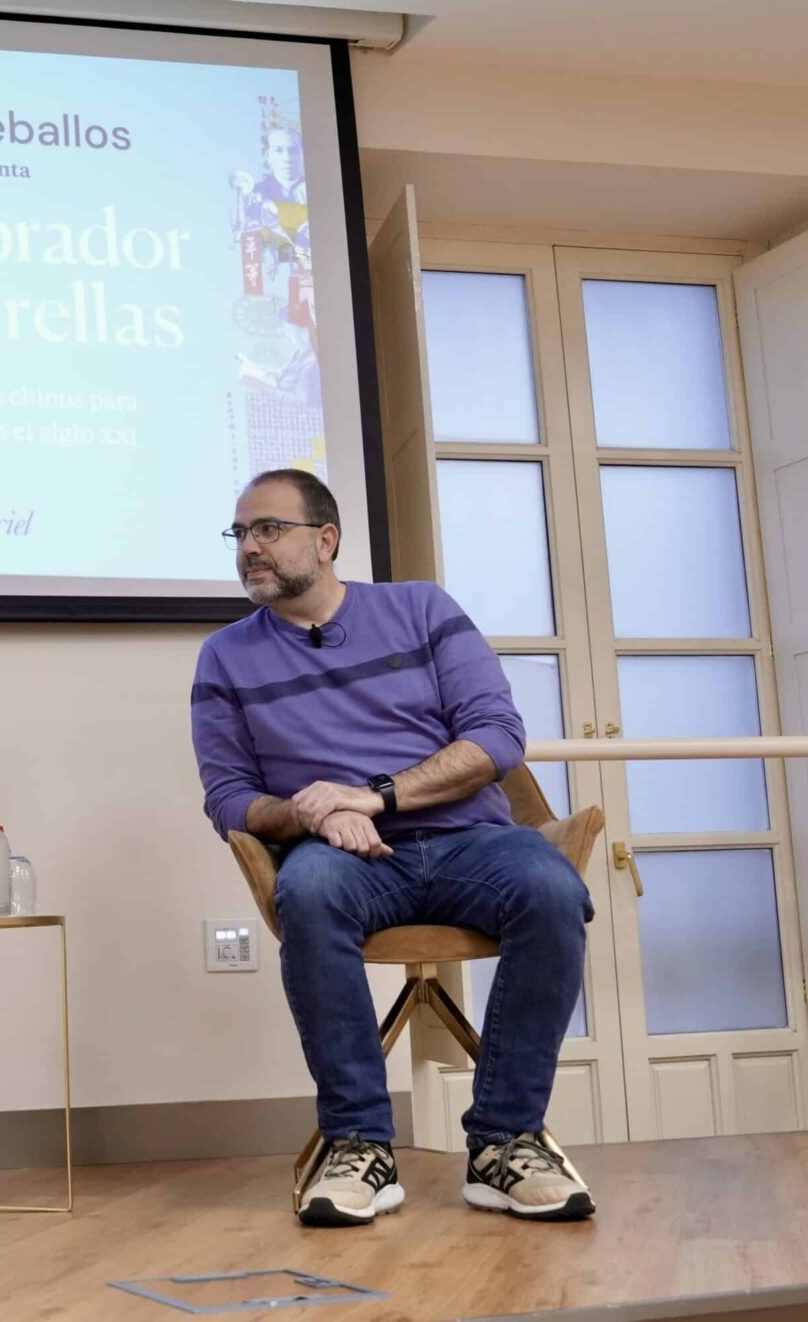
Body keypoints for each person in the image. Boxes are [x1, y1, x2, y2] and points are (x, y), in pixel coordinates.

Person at [190, 469, 596, 1228]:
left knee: (550, 890)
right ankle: (359, 1146)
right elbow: (227, 797)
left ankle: (505, 1142)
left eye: (268, 529)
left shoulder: (421, 609)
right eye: (240, 534)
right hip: (342, 860)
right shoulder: (225, 657)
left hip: (467, 840)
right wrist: (314, 813)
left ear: (327, 538)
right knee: (306, 893)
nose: (250, 548)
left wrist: (370, 796)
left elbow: (497, 739)